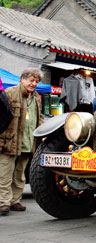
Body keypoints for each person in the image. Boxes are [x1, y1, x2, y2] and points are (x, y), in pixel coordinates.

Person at [0, 68, 44, 216]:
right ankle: (3, 203)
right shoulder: (10, 93)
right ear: (22, 79)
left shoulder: (37, 97)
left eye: (36, 81)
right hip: (9, 141)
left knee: (20, 175)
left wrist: (42, 132)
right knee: (5, 174)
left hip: (27, 142)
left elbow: (40, 117)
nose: (34, 84)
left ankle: (15, 201)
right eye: (31, 80)